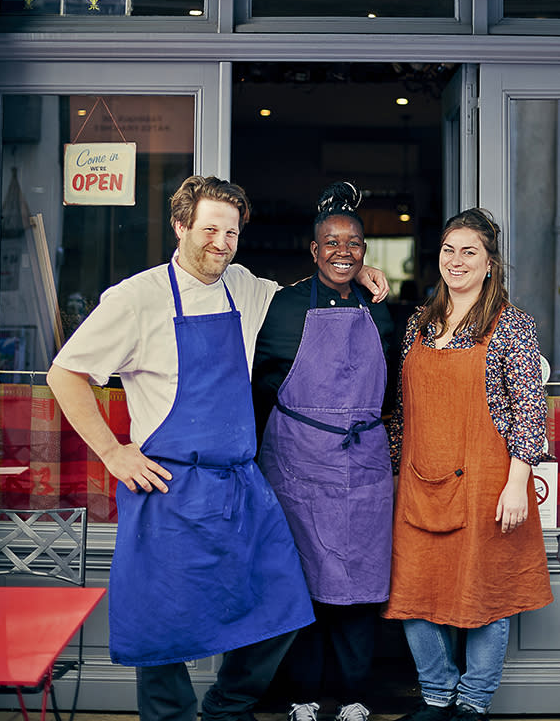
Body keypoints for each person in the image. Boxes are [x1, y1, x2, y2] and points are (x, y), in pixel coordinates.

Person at [46, 176, 388, 721]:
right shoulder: (136, 298)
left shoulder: (246, 288)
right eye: (209, 228)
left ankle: (227, 708)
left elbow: (308, 295)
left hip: (240, 485)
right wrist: (113, 453)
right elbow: (65, 373)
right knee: (161, 630)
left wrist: (352, 272)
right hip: (169, 486)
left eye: (231, 232)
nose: (221, 242)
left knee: (285, 604)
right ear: (180, 226)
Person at [383, 208, 553, 721]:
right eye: (448, 250)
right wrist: (391, 472)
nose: (455, 261)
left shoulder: (511, 324)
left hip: (486, 481)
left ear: (489, 264)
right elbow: (401, 411)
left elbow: (529, 410)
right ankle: (437, 694)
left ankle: (473, 701)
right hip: (417, 480)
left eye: (469, 251)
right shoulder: (419, 321)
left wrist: (518, 484)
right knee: (410, 592)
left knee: (485, 596)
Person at [253, 181, 395, 721]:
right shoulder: (285, 304)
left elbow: (392, 382)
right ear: (314, 251)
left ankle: (356, 695)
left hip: (361, 463)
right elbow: (264, 379)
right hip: (299, 464)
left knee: (359, 584)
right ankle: (303, 696)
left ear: (365, 253)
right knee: (304, 581)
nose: (342, 251)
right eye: (331, 242)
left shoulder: (379, 307)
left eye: (354, 244)